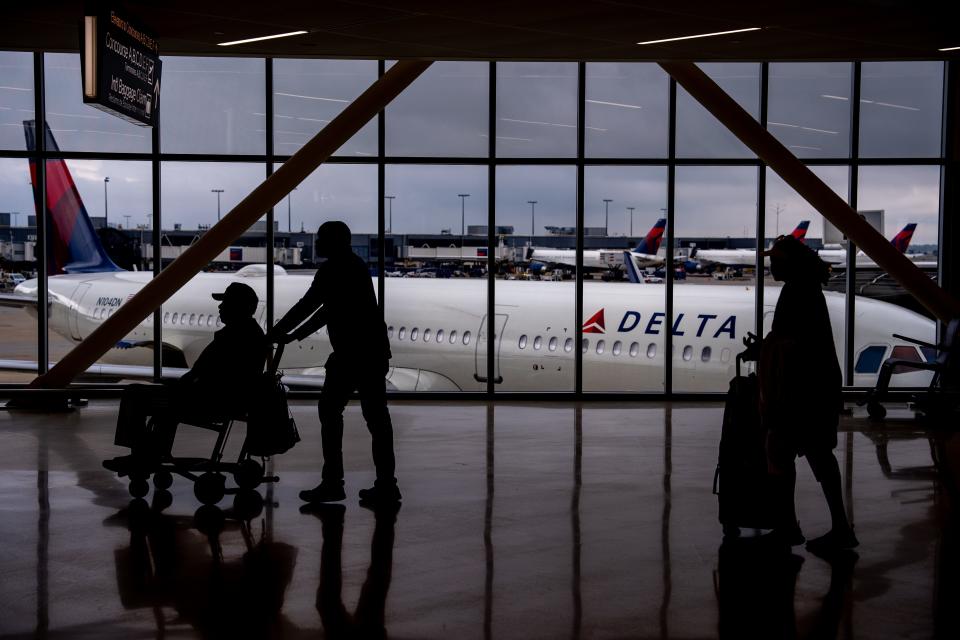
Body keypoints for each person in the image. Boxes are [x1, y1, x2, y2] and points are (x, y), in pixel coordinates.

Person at [268, 220, 399, 505]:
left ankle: (333, 483)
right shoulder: (355, 265)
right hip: (371, 353)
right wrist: (293, 335)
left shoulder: (333, 269)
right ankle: (387, 484)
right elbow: (327, 310)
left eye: (321, 238)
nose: (316, 244)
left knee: (330, 412)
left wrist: (279, 333)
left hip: (352, 355)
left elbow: (310, 304)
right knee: (377, 420)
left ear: (333, 241)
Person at [758, 234, 858, 552]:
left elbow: (792, 343)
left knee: (784, 453)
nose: (771, 265)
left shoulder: (797, 292)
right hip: (814, 388)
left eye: (775, 259)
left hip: (801, 391)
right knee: (812, 455)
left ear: (788, 262)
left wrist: (767, 349)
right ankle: (834, 527)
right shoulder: (807, 289)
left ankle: (793, 527)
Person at [104, 282, 266, 470]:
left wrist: (176, 386)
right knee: (159, 403)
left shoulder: (231, 338)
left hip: (211, 401)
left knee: (135, 394)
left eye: (226, 302)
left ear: (238, 307)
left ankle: (140, 455)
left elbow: (201, 372)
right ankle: (149, 453)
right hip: (228, 399)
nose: (220, 307)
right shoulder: (252, 334)